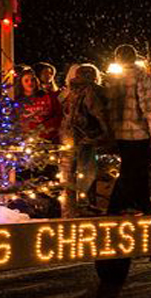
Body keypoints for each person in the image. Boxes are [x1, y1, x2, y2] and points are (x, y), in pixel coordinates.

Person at [105, 46, 151, 215]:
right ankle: (119, 206)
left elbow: (108, 106)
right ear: (134, 57)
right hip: (138, 132)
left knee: (130, 168)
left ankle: (139, 204)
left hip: (119, 132)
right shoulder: (142, 76)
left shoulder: (113, 78)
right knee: (137, 170)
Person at [59, 64, 111, 217]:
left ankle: (69, 206)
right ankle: (82, 204)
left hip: (68, 136)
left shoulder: (70, 91)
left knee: (69, 172)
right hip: (84, 135)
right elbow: (98, 112)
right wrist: (106, 132)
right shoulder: (90, 91)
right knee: (87, 171)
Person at [14, 68, 62, 143]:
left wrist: (45, 126)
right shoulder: (18, 102)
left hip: (49, 139)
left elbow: (58, 115)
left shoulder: (48, 97)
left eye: (32, 80)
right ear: (21, 83)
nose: (30, 83)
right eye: (26, 81)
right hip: (27, 140)